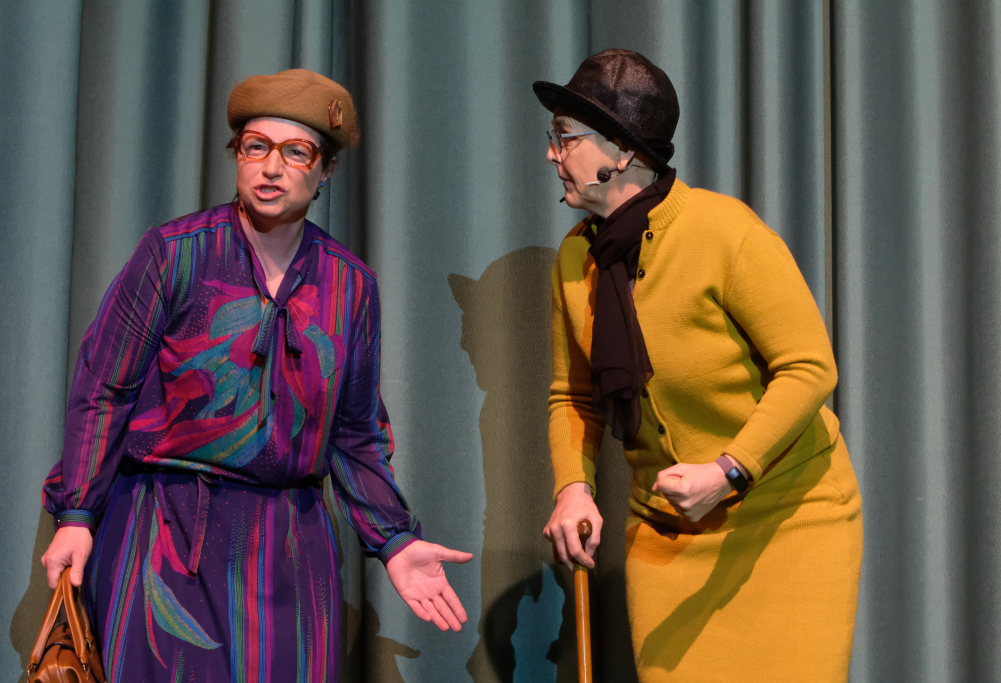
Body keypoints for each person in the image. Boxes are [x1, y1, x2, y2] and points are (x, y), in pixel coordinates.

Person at [39, 68, 472, 682]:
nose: (271, 168)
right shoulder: (176, 254)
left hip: (290, 543)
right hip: (167, 530)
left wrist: (394, 539)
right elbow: (103, 389)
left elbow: (354, 433)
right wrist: (78, 515)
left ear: (325, 170)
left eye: (296, 152)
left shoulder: (349, 286)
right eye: (256, 147)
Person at [534, 49, 863, 682]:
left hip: (788, 521)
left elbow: (809, 367)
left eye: (564, 138)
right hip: (668, 539)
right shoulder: (576, 260)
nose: (552, 154)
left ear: (622, 152)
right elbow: (572, 396)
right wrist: (573, 486)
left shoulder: (723, 232)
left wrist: (728, 469)